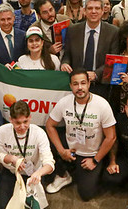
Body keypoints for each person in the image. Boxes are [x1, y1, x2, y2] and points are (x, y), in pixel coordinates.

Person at [45, 69, 117, 200]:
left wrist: (95, 160)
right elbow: (50, 125)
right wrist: (61, 151)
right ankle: (63, 174)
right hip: (71, 149)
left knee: (85, 194)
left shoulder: (102, 104)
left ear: (89, 83)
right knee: (45, 139)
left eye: (83, 83)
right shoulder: (64, 102)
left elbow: (111, 137)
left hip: (92, 154)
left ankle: (85, 171)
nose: (80, 88)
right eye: (75, 84)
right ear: (70, 86)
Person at [0, 100, 55, 209]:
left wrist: (39, 173)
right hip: (11, 172)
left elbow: (49, 162)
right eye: (17, 123)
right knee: (2, 208)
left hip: (33, 174)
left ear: (30, 117)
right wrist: (12, 159)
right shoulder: (2, 131)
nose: (22, 126)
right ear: (11, 120)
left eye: (25, 122)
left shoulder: (39, 133)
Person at [60, 0, 120, 97]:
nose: (93, 11)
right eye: (90, 8)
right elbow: (67, 54)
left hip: (100, 86)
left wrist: (96, 74)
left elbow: (114, 60)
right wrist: (64, 63)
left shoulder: (113, 32)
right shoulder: (73, 30)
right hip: (76, 85)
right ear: (84, 11)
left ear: (102, 11)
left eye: (97, 8)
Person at [0, 3, 25, 68]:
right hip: (0, 77)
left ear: (14, 18)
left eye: (9, 19)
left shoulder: (23, 36)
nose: (6, 23)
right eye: (2, 19)